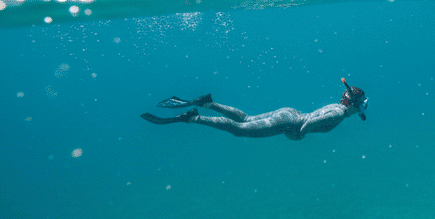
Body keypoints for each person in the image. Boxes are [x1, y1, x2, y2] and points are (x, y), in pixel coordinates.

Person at [141, 78, 368, 140]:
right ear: (355, 105)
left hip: (289, 113)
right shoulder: (339, 113)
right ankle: (194, 117)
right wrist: (301, 134)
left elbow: (316, 117)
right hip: (289, 122)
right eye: (361, 105)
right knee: (240, 130)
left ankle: (209, 103)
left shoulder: (336, 105)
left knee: (246, 119)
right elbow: (312, 122)